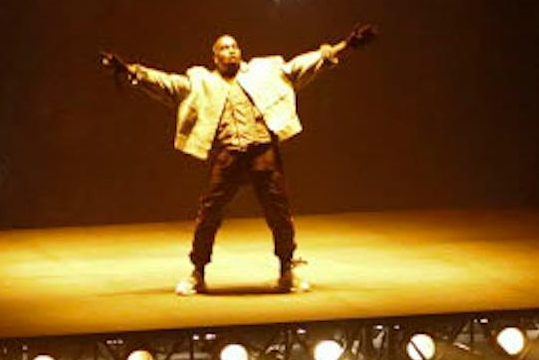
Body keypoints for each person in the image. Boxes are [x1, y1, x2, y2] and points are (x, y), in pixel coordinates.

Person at [101, 24, 376, 295]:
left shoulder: (264, 72)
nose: (231, 51)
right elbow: (167, 83)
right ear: (215, 56)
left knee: (279, 215)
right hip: (229, 155)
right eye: (224, 48)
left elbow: (300, 66)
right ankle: (198, 271)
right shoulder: (202, 82)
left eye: (234, 46)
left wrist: (344, 45)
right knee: (208, 214)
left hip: (263, 152)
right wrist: (129, 70)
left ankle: (286, 269)